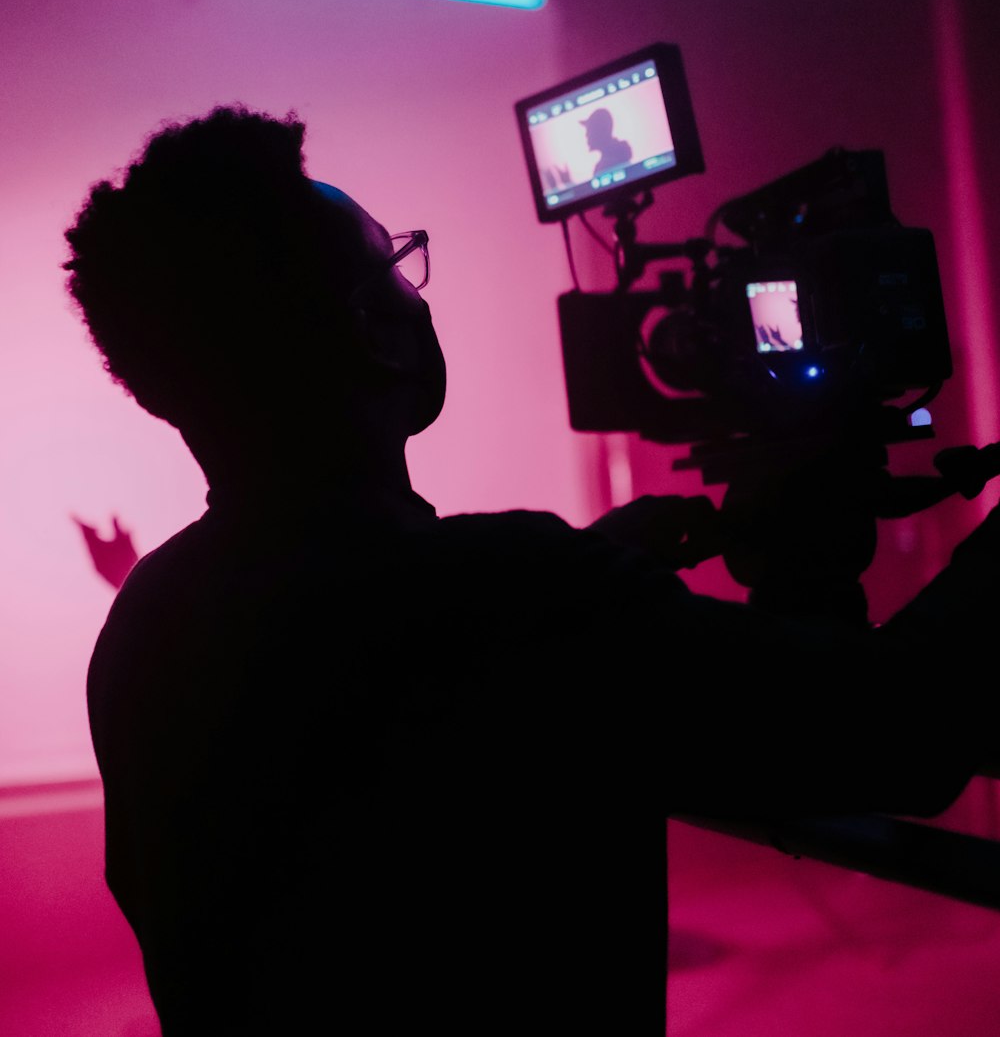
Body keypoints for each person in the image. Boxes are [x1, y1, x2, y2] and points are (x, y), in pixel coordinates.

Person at [65, 106, 995, 1035]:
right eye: (394, 264)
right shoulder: (520, 596)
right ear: (369, 328)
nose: (416, 295)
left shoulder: (149, 623)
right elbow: (899, 732)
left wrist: (607, 572)